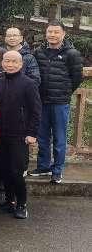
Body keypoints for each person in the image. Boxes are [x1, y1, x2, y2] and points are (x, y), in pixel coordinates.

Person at [31, 21, 84, 183]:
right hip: (41, 101)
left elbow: (77, 78)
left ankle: (57, 169)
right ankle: (43, 166)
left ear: (63, 34)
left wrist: (65, 92)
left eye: (56, 32)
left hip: (60, 102)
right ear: (46, 33)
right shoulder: (38, 52)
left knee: (59, 138)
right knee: (42, 136)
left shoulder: (72, 53)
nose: (52, 35)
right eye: (50, 32)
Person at [0, 51, 41, 219]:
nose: (10, 65)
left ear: (21, 64)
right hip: (0, 133)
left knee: (16, 171)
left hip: (19, 135)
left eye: (14, 62)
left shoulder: (29, 84)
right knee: (4, 170)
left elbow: (36, 111)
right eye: (7, 61)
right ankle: (9, 201)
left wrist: (32, 133)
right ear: (2, 62)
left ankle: (22, 204)